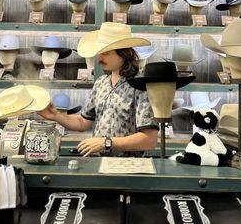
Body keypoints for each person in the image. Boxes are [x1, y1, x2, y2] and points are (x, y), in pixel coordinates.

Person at [39, 22, 158, 157]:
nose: (100, 58)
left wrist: (106, 143)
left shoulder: (140, 86)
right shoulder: (101, 83)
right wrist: (56, 115)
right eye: (99, 52)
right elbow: (83, 122)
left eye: (106, 53)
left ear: (124, 53)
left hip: (126, 167)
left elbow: (150, 140)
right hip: (97, 163)